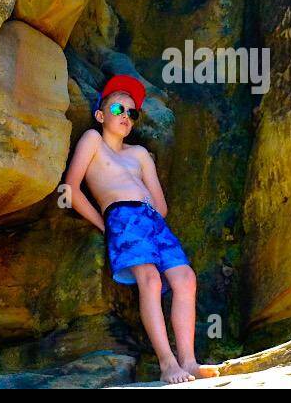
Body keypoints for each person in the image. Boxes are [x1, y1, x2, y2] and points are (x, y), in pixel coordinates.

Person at [63, 74, 219, 384]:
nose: (126, 116)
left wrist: (152, 224)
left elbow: (161, 204)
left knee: (186, 278)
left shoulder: (140, 155)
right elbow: (70, 188)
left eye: (132, 113)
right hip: (122, 218)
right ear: (100, 115)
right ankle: (167, 363)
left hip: (153, 222)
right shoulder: (92, 141)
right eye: (119, 109)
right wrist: (105, 225)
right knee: (148, 279)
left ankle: (188, 361)